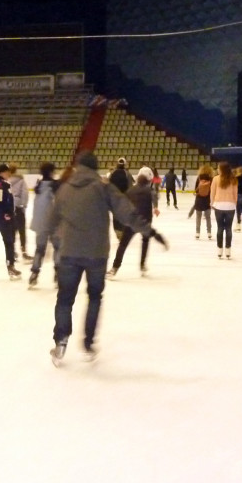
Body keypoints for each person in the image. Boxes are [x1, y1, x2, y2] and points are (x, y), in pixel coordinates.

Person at [47, 151, 167, 366]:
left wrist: (53, 244)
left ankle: (61, 341)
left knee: (65, 299)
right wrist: (150, 232)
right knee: (94, 297)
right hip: (96, 254)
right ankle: (88, 344)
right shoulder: (103, 187)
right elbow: (127, 213)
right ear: (95, 168)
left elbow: (52, 220)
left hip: (69, 254)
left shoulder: (64, 188)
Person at [108, 173, 160, 278]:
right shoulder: (149, 190)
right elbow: (155, 197)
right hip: (145, 221)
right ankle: (142, 266)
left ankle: (114, 268)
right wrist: (155, 207)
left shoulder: (130, 190)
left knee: (122, 245)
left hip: (132, 221)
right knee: (145, 242)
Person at [28, 161, 61, 288]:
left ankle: (34, 273)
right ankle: (58, 274)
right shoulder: (55, 185)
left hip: (40, 223)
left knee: (39, 249)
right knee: (58, 248)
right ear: (52, 171)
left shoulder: (38, 186)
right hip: (53, 223)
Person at [210, 161, 238, 259]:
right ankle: (228, 250)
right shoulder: (233, 179)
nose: (217, 169)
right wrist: (234, 203)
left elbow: (212, 192)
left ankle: (219, 250)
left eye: (218, 168)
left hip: (219, 206)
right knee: (228, 228)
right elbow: (235, 194)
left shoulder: (216, 179)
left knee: (220, 228)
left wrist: (212, 203)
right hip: (230, 206)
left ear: (222, 169)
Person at [8, 164, 32, 261]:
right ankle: (24, 252)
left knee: (11, 231)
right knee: (22, 231)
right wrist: (23, 206)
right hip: (18, 207)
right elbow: (25, 194)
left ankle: (12, 252)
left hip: (8, 208)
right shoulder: (21, 180)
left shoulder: (5, 181)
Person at [189, 165, 212, 239]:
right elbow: (212, 190)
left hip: (199, 199)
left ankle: (197, 233)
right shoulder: (211, 179)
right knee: (208, 217)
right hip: (207, 200)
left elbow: (196, 188)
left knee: (198, 217)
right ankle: (209, 232)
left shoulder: (199, 178)